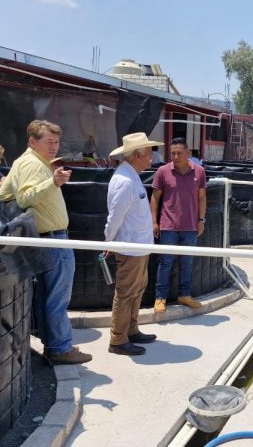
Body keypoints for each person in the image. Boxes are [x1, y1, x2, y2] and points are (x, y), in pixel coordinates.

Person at [0, 120, 92, 365]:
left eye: (57, 141)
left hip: (44, 239)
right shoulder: (32, 165)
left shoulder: (26, 162)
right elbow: (25, 196)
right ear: (32, 141)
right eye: (48, 141)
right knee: (58, 298)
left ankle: (54, 345)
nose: (54, 146)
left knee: (46, 296)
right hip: (52, 239)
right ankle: (60, 348)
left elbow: (2, 195)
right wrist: (53, 182)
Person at [104, 133, 163, 356]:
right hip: (130, 248)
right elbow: (115, 217)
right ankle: (118, 340)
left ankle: (131, 330)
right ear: (138, 154)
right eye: (148, 152)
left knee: (136, 290)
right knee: (126, 292)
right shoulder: (125, 181)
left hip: (138, 247)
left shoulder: (132, 176)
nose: (152, 156)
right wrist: (108, 241)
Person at [151, 137, 207, 312]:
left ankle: (184, 295)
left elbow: (202, 197)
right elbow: (155, 198)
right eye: (172, 153)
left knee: (187, 262)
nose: (175, 157)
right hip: (168, 226)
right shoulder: (162, 171)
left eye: (179, 153)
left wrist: (201, 220)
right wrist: (154, 222)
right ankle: (160, 298)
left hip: (190, 226)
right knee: (165, 262)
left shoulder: (199, 172)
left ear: (188, 153)